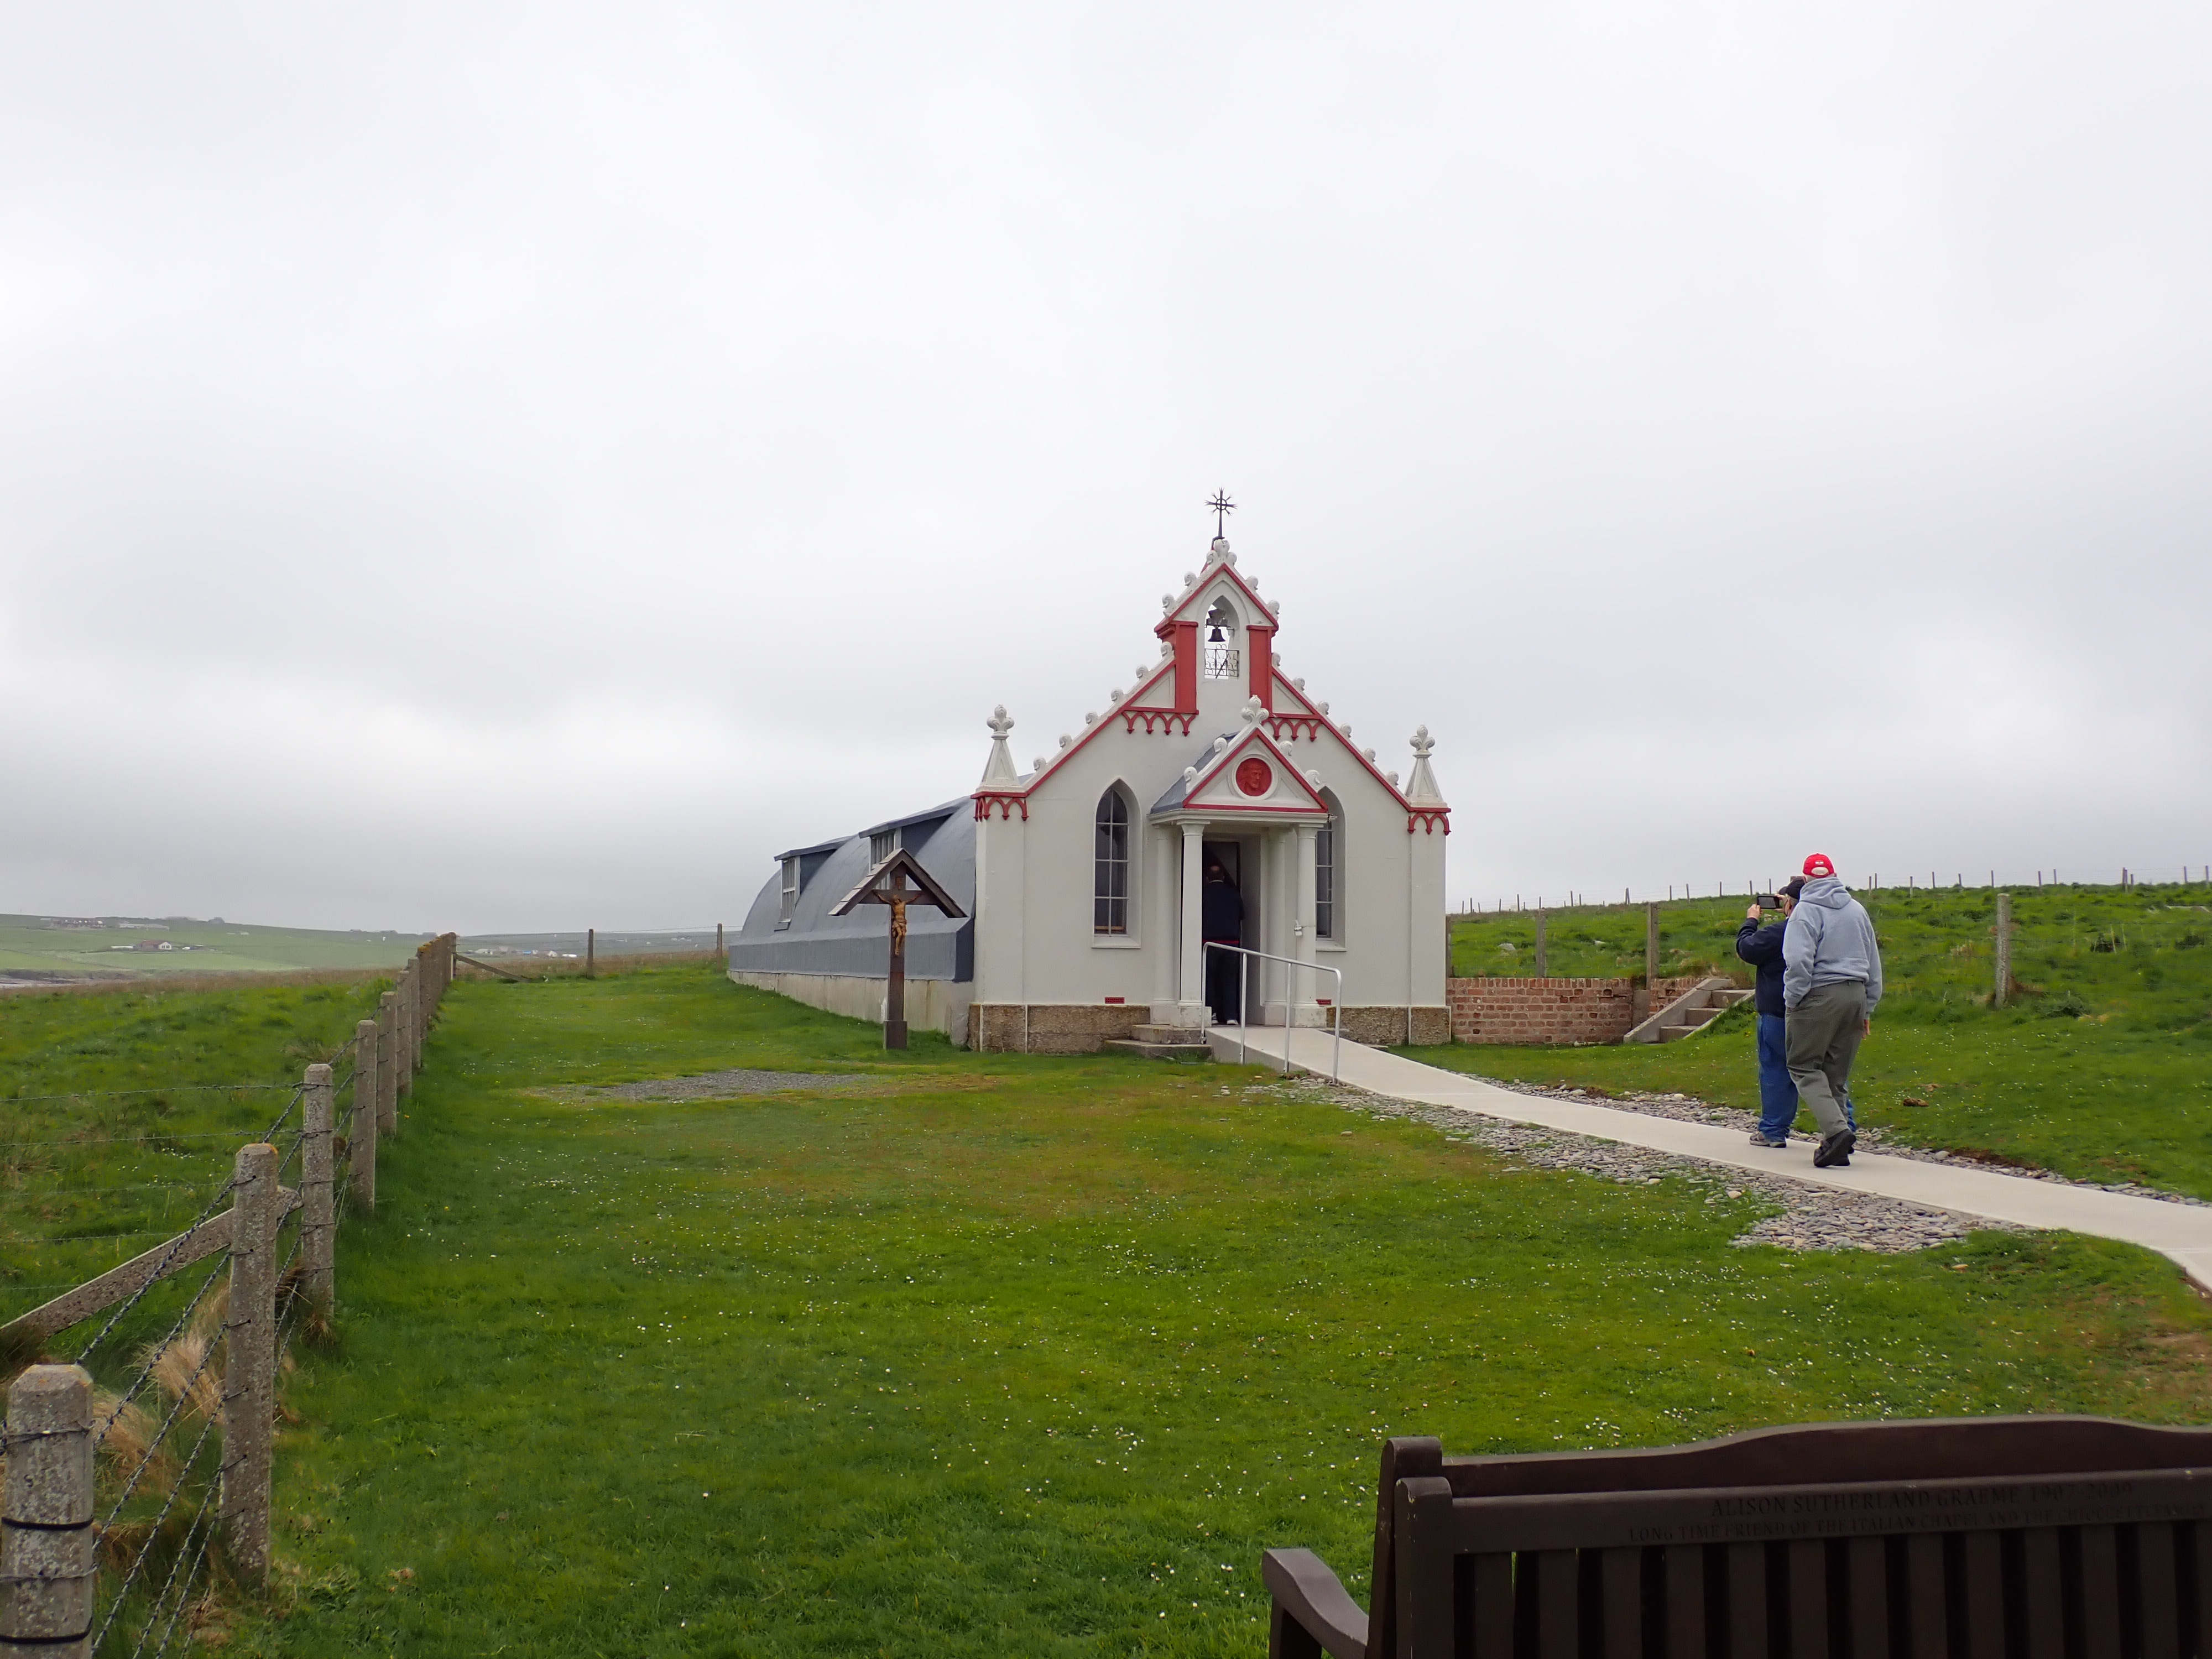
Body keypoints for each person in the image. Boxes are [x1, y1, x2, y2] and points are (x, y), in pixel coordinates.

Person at [1782, 852, 1883, 1168]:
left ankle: (1837, 1132)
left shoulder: (1805, 911)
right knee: (1835, 1075)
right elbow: (1873, 961)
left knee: (1803, 1066)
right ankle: (1837, 1145)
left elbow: (1798, 961)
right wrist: (1868, 1008)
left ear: (1806, 879)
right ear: (1834, 876)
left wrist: (1793, 999)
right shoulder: (1857, 910)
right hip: (1856, 994)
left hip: (1819, 994)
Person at [1735, 878, 1800, 1147]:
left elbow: (1747, 948)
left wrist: (1751, 921)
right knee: (1828, 1072)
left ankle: (1773, 1130)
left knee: (1775, 1070)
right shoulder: (1826, 929)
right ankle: (1841, 1129)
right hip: (1818, 1010)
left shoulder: (1781, 932)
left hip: (1777, 1009)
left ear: (1789, 905)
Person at [1201, 857, 1245, 1026]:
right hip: (1232, 944)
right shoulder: (1234, 894)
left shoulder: (1203, 894)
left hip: (1209, 943)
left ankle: (1211, 1013)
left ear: (1207, 878)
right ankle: (1231, 1016)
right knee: (1229, 981)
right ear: (1224, 877)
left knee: (1209, 979)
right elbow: (1242, 915)